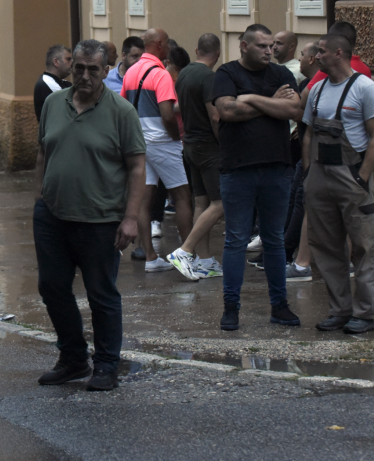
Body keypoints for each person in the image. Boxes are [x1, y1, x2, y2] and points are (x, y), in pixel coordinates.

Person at [34, 39, 145, 392]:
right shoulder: (53, 103)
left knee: (101, 294)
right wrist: (39, 197)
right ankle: (73, 358)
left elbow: (137, 167)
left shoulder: (121, 111)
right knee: (52, 287)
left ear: (106, 71)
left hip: (100, 220)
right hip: (52, 215)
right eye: (78, 67)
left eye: (92, 70)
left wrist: (130, 218)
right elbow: (42, 152)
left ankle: (107, 365)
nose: (83, 75)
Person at [210, 24, 303, 331]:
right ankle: (230, 308)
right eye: (262, 46)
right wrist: (270, 103)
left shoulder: (281, 75)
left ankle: (280, 305)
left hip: (277, 167)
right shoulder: (226, 74)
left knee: (274, 240)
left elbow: (294, 109)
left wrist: (250, 97)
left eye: (271, 45)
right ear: (244, 47)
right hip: (238, 169)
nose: (269, 51)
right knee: (236, 239)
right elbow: (227, 112)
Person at [303, 33, 374, 334]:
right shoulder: (317, 90)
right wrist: (309, 170)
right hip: (320, 175)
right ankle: (339, 310)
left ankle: (364, 313)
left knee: (363, 246)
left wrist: (362, 177)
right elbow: (309, 134)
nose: (317, 57)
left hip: (350, 175)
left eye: (321, 52)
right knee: (325, 246)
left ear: (339, 54)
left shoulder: (365, 89)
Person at [121, 29, 193, 272]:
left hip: (139, 143)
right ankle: (189, 255)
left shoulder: (130, 72)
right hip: (162, 141)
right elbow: (167, 114)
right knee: (182, 196)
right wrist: (175, 136)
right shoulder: (160, 74)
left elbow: (124, 108)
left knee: (143, 199)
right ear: (160, 44)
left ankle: (151, 257)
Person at [167, 33, 224, 281]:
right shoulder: (210, 78)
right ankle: (185, 250)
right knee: (220, 203)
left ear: (197, 49)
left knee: (202, 203)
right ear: (218, 54)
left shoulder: (185, 73)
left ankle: (206, 262)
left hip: (189, 144)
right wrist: (225, 143)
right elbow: (215, 116)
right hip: (208, 148)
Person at [283, 41, 320, 282]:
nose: (301, 59)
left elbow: (301, 117)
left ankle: (296, 259)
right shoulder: (311, 84)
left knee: (301, 203)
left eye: (303, 55)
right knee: (298, 200)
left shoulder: (316, 84)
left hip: (318, 161)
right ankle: (289, 254)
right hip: (308, 159)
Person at [305, 21, 372, 89]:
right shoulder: (366, 69)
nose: (317, 56)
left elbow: (304, 97)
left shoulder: (329, 68)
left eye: (322, 51)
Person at [33, 44, 73, 121]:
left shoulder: (64, 83)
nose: (71, 63)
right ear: (56, 62)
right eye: (68, 59)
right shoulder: (47, 83)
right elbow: (73, 110)